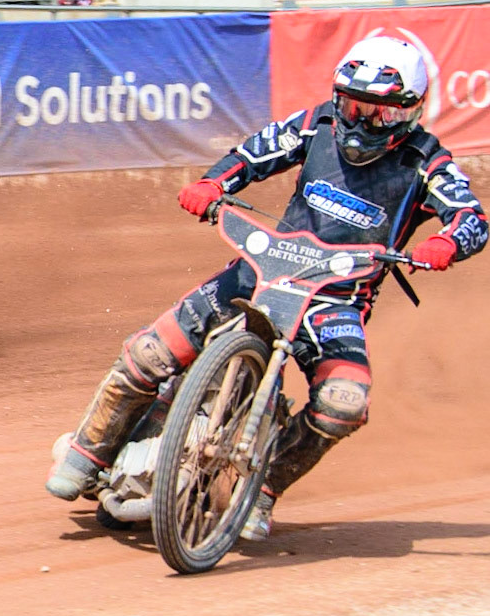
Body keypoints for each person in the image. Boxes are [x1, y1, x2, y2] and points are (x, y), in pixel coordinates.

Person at [45, 36, 487, 541]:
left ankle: (263, 488)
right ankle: (88, 451)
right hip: (262, 268)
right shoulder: (317, 123)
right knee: (149, 353)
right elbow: (255, 152)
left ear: (409, 112)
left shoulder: (427, 160)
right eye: (352, 105)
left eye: (378, 113)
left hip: (335, 300)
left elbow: (471, 217)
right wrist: (214, 184)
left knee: (344, 400)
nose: (360, 122)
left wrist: (448, 244)